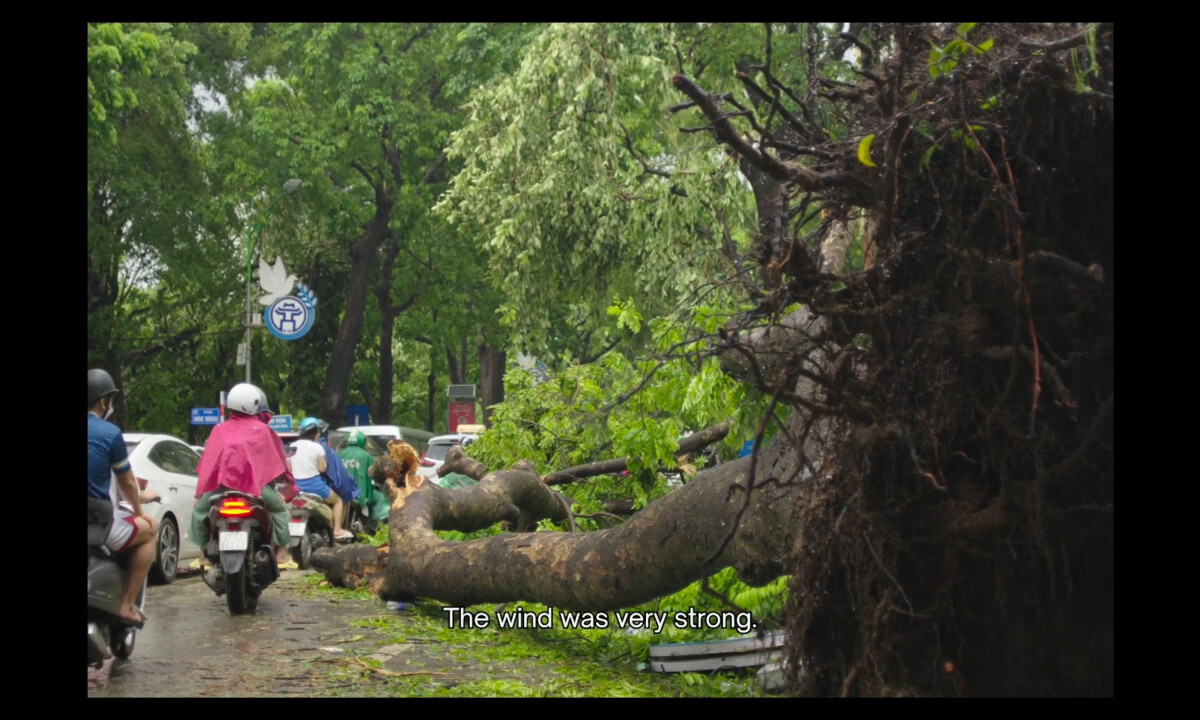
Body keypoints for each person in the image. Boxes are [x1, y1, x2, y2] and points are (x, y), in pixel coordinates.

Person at [189, 383, 298, 569]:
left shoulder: (218, 429)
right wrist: (285, 481)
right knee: (280, 510)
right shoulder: (262, 430)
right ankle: (281, 554)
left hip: (221, 488)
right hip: (256, 490)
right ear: (254, 404)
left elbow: (209, 463)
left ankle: (204, 556)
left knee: (199, 511)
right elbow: (277, 460)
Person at [88, 368, 159, 626]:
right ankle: (127, 605)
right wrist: (140, 512)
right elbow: (126, 481)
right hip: (98, 520)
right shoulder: (109, 433)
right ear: (103, 401)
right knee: (150, 530)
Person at [291, 417, 353, 541]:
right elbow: (323, 468)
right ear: (314, 433)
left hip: (295, 486)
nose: (319, 434)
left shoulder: (293, 445)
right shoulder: (317, 447)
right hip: (314, 486)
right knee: (338, 501)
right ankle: (337, 530)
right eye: (318, 432)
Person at [339, 430, 389, 526]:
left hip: (342, 492)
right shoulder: (367, 456)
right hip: (359, 493)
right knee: (380, 498)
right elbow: (371, 477)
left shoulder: (340, 454)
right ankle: (374, 524)